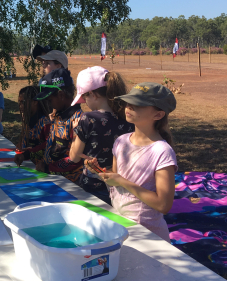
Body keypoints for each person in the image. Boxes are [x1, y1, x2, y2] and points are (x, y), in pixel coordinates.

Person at [86, 82, 178, 242]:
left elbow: (164, 205)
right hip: (120, 227)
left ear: (158, 115)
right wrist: (99, 171)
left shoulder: (162, 152)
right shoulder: (121, 142)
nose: (129, 107)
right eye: (129, 102)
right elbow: (115, 181)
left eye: (138, 104)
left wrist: (122, 181)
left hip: (149, 236)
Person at [68, 66, 134, 204]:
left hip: (93, 189)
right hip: (122, 188)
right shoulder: (127, 117)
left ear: (93, 94)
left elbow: (74, 157)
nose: (85, 102)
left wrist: (76, 132)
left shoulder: (88, 119)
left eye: (84, 97)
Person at [33, 68, 85, 183]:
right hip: (50, 179)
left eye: (50, 100)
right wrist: (28, 153)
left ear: (61, 95)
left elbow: (74, 160)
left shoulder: (78, 121)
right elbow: (51, 144)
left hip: (68, 184)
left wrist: (48, 168)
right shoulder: (58, 116)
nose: (49, 104)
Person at [14, 86, 51, 167]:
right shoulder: (27, 119)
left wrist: (27, 154)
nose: (20, 106)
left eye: (23, 102)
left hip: (40, 167)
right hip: (27, 164)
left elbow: (49, 146)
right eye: (19, 102)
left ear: (35, 102)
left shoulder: (45, 124)